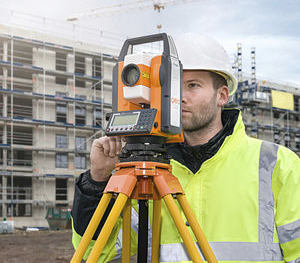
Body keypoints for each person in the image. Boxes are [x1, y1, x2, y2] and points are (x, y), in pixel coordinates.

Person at [71, 33, 300, 262]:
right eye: (172, 85)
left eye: (193, 85)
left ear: (221, 96)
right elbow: (100, 252)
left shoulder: (276, 165)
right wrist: (97, 180)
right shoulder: (149, 173)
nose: (179, 97)